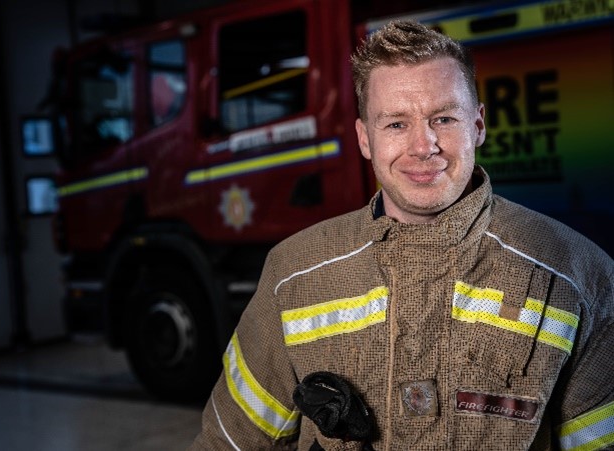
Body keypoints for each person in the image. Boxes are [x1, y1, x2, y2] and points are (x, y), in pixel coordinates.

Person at [189, 20, 613, 450]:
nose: (423, 146)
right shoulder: (294, 275)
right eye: (395, 124)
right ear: (364, 138)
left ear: (479, 125)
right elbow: (228, 442)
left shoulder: (578, 277)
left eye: (443, 118)